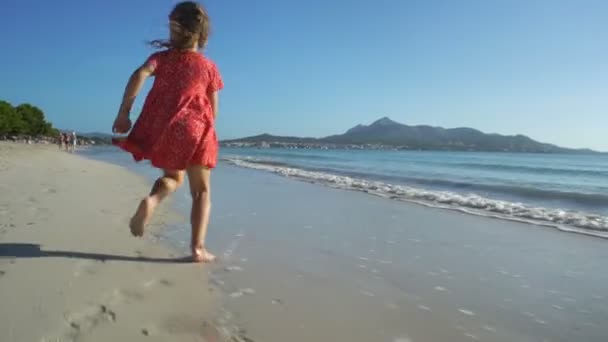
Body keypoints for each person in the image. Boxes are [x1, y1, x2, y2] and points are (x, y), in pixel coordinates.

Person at [111, 1, 223, 263]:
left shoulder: (160, 59)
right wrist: (205, 133)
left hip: (168, 128)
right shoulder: (209, 67)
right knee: (201, 192)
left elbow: (139, 74)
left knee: (173, 178)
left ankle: (152, 200)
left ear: (175, 30)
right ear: (203, 35)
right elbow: (213, 109)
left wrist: (124, 112)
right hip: (198, 129)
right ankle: (197, 249)